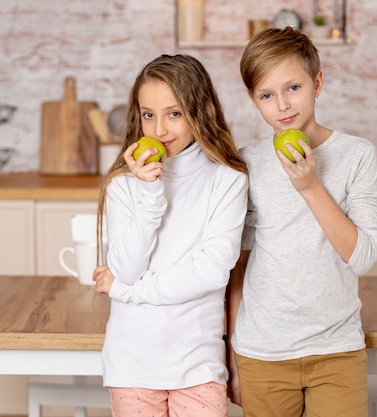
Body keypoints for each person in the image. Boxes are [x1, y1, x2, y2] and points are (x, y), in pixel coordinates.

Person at [225, 27, 377, 417]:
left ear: (317, 82)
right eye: (266, 95)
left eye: (293, 87)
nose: (282, 105)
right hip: (262, 352)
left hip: (336, 350)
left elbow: (362, 256)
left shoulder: (357, 156)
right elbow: (238, 267)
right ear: (253, 100)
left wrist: (310, 186)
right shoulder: (247, 163)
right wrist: (231, 357)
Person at [92, 54, 248, 417]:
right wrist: (149, 194)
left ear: (202, 110)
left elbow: (212, 271)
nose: (159, 130)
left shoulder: (227, 181)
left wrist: (125, 291)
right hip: (131, 364)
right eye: (149, 114)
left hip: (198, 365)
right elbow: (127, 267)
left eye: (174, 114)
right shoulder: (124, 187)